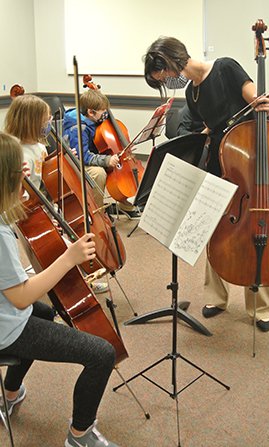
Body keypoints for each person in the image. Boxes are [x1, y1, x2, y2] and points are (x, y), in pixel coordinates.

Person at [143, 36, 269, 332]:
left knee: (256, 230)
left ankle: (261, 306)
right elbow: (212, 125)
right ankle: (216, 297)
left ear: (172, 61)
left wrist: (260, 102)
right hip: (218, 163)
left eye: (164, 76)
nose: (168, 82)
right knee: (215, 229)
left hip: (248, 161)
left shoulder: (225, 68)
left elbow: (252, 96)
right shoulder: (192, 92)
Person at [0, 132, 120, 447]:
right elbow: (21, 295)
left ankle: (9, 395)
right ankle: (80, 435)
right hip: (4, 327)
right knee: (101, 354)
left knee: (45, 311)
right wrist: (67, 258)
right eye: (18, 171)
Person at [4, 94, 109, 294]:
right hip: (19, 209)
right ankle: (70, 286)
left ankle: (81, 280)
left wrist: (68, 160)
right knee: (61, 246)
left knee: (68, 240)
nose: (50, 123)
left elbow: (49, 177)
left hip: (40, 205)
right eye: (46, 120)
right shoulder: (13, 151)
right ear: (31, 122)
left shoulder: (40, 147)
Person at [63, 89, 141, 219]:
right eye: (103, 111)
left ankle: (122, 200)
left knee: (116, 164)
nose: (106, 114)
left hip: (88, 156)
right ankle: (97, 212)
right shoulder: (78, 128)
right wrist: (106, 160)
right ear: (90, 112)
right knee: (99, 173)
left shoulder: (93, 120)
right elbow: (83, 156)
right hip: (75, 163)